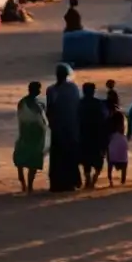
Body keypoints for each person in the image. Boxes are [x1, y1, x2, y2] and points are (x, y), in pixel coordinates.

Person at [46, 64, 82, 192]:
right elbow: (78, 106)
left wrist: (52, 123)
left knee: (57, 156)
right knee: (70, 155)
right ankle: (71, 182)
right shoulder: (73, 88)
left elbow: (49, 110)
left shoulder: (51, 90)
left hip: (57, 128)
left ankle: (56, 183)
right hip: (71, 127)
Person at [14, 81, 48, 193]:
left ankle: (25, 185)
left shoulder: (22, 102)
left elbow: (20, 119)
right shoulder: (38, 105)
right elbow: (43, 121)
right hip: (35, 135)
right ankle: (29, 186)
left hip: (26, 133)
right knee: (32, 161)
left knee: (21, 160)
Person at [78, 83, 108, 189]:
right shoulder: (98, 104)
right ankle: (94, 178)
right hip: (96, 135)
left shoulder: (79, 104)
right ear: (93, 91)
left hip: (83, 135)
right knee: (98, 160)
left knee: (86, 160)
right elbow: (104, 119)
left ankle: (88, 178)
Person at [105, 91, 129, 186]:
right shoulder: (121, 114)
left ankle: (110, 180)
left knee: (110, 161)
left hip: (111, 139)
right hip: (121, 138)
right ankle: (123, 180)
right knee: (124, 161)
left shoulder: (108, 114)